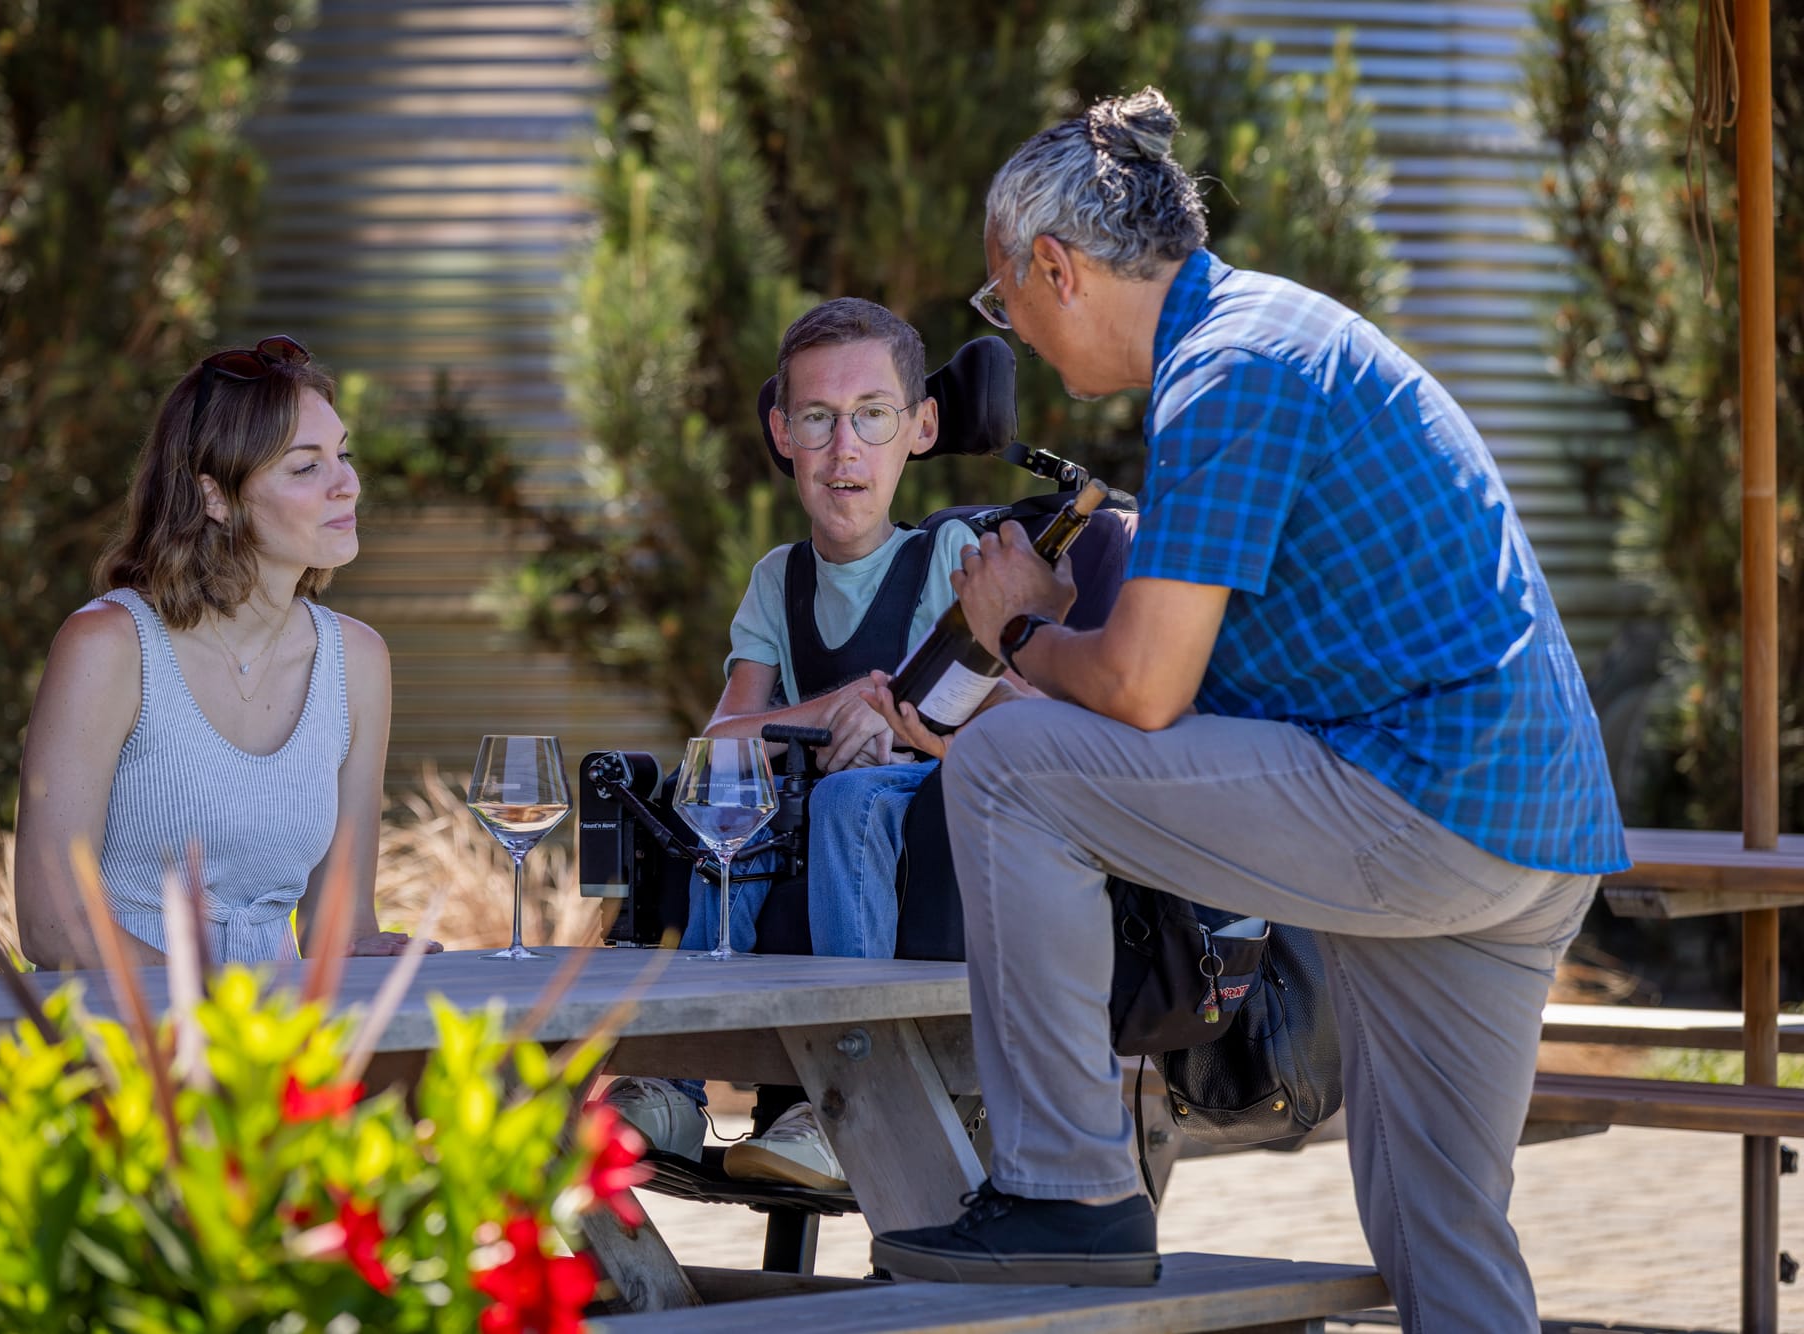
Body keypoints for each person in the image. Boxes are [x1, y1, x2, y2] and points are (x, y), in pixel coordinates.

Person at [860, 90, 1629, 1327]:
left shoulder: (1223, 369)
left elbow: (1141, 691)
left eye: (1005, 305)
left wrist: (1015, 631)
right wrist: (1069, 618)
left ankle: (1067, 1188)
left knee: (1003, 761)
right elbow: (1207, 667)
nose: (1021, 336)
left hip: (1419, 799)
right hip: (1532, 831)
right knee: (1439, 1226)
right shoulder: (1274, 335)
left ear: (1054, 268)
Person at [603, 298, 990, 1191]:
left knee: (850, 798)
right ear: (782, 432)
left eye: (872, 417)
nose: (843, 446)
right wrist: (835, 706)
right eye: (816, 418)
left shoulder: (950, 557)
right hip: (814, 801)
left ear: (920, 427)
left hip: (922, 807)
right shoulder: (779, 579)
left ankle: (853, 1089)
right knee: (717, 795)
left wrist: (893, 722)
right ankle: (672, 1086)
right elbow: (725, 738)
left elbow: (1005, 710)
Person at [14, 336, 435, 969]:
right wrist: (224, 1015)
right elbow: (53, 926)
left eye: (342, 455)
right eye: (305, 466)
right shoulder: (108, 647)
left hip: (270, 1043)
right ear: (216, 496)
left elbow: (337, 927)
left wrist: (373, 952)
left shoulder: (357, 661)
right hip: (125, 1041)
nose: (347, 483)